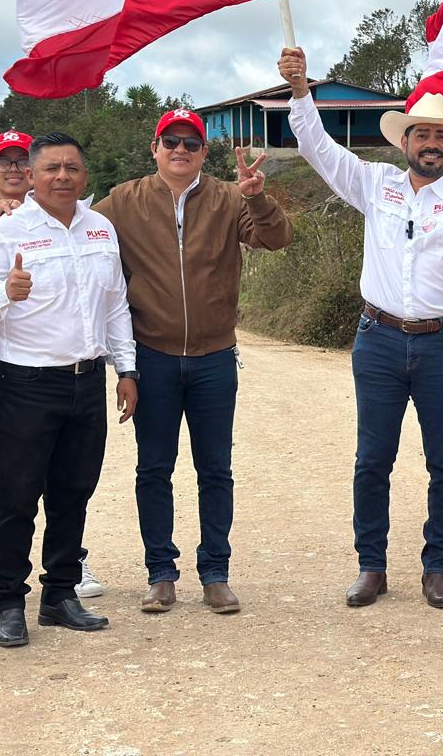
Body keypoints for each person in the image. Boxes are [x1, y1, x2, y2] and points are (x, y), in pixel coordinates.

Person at [278, 47, 443, 610]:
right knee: (372, 458)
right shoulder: (375, 183)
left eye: (442, 136)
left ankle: (436, 568)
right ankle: (371, 566)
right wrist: (303, 94)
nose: (431, 144)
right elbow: (319, 151)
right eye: (422, 134)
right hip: (378, 339)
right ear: (404, 142)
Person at [93, 108, 292, 615]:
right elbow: (80, 235)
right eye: (171, 141)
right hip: (153, 356)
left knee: (215, 470)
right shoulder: (123, 200)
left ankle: (215, 574)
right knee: (153, 469)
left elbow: (276, 238)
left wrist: (259, 198)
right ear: (154, 149)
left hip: (213, 358)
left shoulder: (231, 197)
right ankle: (160, 573)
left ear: (205, 152)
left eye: (191, 143)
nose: (180, 150)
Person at [0, 132, 138, 648]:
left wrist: (126, 370)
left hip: (87, 382)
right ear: (32, 177)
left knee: (73, 493)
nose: (63, 176)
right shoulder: (5, 233)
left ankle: (60, 594)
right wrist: (3, 292)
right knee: (15, 497)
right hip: (25, 383)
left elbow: (115, 306)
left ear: (85, 176)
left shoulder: (101, 229)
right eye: (52, 168)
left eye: (73, 168)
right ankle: (9, 602)